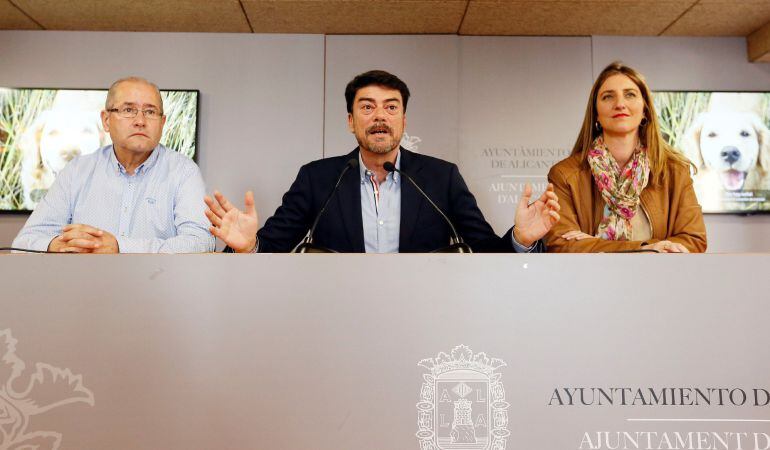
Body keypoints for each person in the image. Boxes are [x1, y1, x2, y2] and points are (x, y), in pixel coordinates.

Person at [205, 70, 560, 253]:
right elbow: (273, 248)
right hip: (338, 320)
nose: (380, 116)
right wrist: (248, 246)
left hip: (423, 320)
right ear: (350, 120)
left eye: (391, 107)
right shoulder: (318, 178)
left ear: (404, 120)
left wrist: (521, 239)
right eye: (366, 106)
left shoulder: (440, 177)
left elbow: (487, 253)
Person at [12, 76, 214, 253]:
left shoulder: (183, 172)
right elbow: (25, 241)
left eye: (150, 112)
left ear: (162, 123)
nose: (140, 121)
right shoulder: (76, 171)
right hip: (84, 288)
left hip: (158, 289)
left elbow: (200, 242)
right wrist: (58, 244)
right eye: (128, 110)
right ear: (106, 120)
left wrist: (119, 247)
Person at [545, 62, 707, 253]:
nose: (620, 104)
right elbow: (561, 245)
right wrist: (647, 247)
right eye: (608, 96)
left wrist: (593, 243)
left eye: (630, 94)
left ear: (645, 110)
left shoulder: (675, 170)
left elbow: (693, 240)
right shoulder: (565, 174)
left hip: (659, 279)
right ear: (596, 113)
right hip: (590, 281)